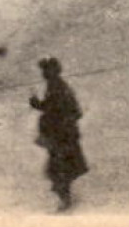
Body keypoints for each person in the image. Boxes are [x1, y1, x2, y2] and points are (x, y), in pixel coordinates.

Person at [29, 57, 88, 212]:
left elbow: (60, 110)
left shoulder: (58, 87)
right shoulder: (55, 86)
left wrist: (38, 105)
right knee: (60, 168)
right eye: (43, 70)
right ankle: (66, 199)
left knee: (59, 169)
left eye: (46, 70)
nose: (44, 74)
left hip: (61, 136)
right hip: (61, 136)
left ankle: (66, 201)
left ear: (54, 71)